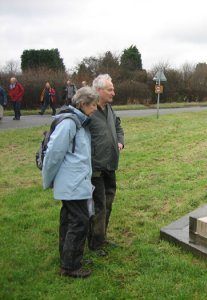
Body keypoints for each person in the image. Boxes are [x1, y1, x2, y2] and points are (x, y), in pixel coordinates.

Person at [42, 87, 98, 278]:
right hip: (72, 184)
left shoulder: (79, 122)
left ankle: (70, 258)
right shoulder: (70, 123)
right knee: (79, 222)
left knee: (69, 221)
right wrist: (48, 180)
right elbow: (54, 154)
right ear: (82, 104)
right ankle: (70, 266)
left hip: (76, 182)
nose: (96, 108)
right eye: (93, 104)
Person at [88, 74, 124, 256]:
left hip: (111, 165)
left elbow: (118, 127)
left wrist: (120, 141)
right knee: (99, 205)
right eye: (110, 90)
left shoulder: (110, 109)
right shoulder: (89, 110)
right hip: (96, 169)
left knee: (108, 203)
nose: (113, 93)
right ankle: (95, 243)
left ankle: (102, 237)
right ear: (99, 90)